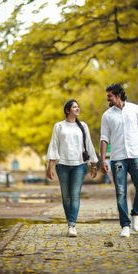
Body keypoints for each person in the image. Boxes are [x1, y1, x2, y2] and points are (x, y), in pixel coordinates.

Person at [100, 83, 138, 238]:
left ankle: (135, 214)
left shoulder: (136, 109)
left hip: (136, 155)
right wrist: (103, 159)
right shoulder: (107, 115)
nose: (107, 98)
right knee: (121, 192)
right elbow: (104, 138)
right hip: (117, 158)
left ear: (118, 95)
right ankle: (125, 225)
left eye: (109, 95)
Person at [46, 99, 98, 237]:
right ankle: (70, 222)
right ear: (68, 110)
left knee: (74, 194)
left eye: (78, 106)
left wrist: (93, 164)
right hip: (62, 165)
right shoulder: (59, 126)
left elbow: (89, 144)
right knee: (65, 196)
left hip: (79, 165)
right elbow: (54, 145)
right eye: (74, 107)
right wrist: (50, 166)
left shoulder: (83, 126)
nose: (77, 108)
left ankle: (72, 225)